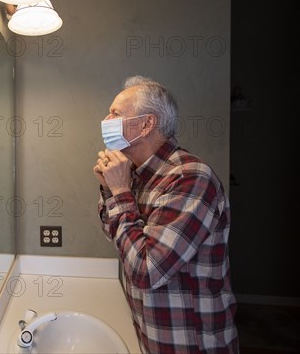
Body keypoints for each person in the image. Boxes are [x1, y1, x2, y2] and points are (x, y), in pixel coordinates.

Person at [93, 76, 238, 354]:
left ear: (147, 124)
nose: (105, 119)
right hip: (154, 336)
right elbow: (120, 240)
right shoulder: (138, 176)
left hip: (192, 345)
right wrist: (110, 189)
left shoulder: (190, 178)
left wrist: (121, 191)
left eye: (115, 113)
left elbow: (146, 271)